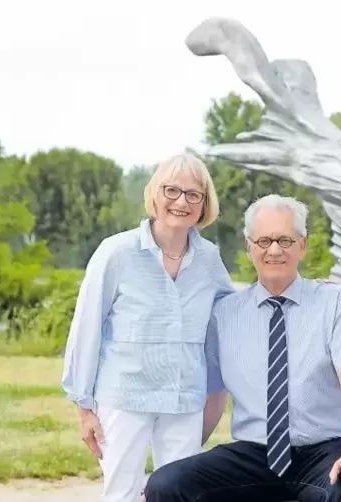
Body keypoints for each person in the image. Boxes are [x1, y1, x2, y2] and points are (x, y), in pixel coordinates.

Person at [144, 194, 341, 502]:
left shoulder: (336, 302)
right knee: (166, 484)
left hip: (323, 451)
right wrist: (182, 457)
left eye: (285, 240)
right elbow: (213, 395)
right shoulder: (223, 314)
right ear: (249, 247)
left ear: (302, 245)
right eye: (264, 240)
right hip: (253, 454)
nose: (274, 250)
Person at [60, 153, 233, 502]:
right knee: (121, 494)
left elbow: (235, 312)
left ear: (204, 204)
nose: (181, 201)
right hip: (124, 396)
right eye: (172, 190)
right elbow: (86, 328)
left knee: (180, 493)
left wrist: (301, 289)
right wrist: (84, 407)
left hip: (184, 399)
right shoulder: (117, 253)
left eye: (193, 194)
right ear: (155, 194)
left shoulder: (209, 259)